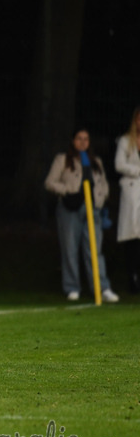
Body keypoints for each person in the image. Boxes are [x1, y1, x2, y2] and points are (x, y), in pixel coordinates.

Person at [43, 128, 118, 303]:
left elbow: (104, 185)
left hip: (93, 209)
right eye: (79, 138)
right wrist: (68, 191)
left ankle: (102, 287)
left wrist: (100, 199)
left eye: (86, 139)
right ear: (72, 140)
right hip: (70, 209)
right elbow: (50, 182)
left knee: (94, 250)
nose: (83, 142)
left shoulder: (96, 161)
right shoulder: (62, 160)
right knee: (69, 249)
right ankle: (72, 287)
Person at [115, 106, 140, 294]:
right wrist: (137, 171)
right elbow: (119, 165)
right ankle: (132, 277)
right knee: (132, 237)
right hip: (132, 191)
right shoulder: (125, 141)